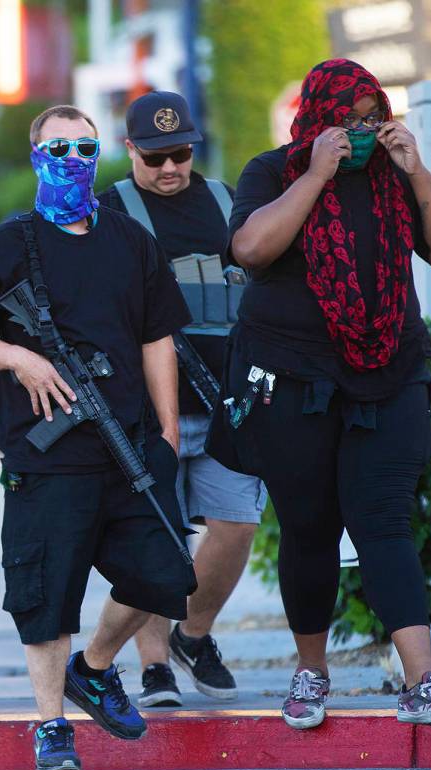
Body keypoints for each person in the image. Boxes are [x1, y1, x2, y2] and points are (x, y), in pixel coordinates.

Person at [210, 58, 431, 730]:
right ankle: (310, 670)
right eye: (344, 118)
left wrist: (415, 169)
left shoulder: (393, 177)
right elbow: (251, 249)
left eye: (369, 117)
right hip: (293, 380)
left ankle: (424, 679)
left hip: (389, 373)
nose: (359, 131)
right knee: (308, 528)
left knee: (383, 519)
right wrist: (315, 175)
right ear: (315, 117)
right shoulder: (273, 170)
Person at [0, 105, 196, 770]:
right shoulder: (7, 243)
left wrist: (167, 429)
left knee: (165, 573)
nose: (73, 160)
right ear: (35, 157)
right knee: (45, 591)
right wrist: (18, 359)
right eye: (58, 150)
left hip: (129, 443)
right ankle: (51, 724)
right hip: (47, 452)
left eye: (84, 147)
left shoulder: (128, 239)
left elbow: (155, 337)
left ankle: (93, 668)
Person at [98, 90, 267, 707]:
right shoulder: (109, 209)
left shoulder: (228, 201)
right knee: (156, 536)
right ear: (130, 152)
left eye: (179, 155)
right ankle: (152, 667)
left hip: (227, 403)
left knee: (236, 525)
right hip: (146, 409)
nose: (169, 169)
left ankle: (192, 636)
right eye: (155, 157)